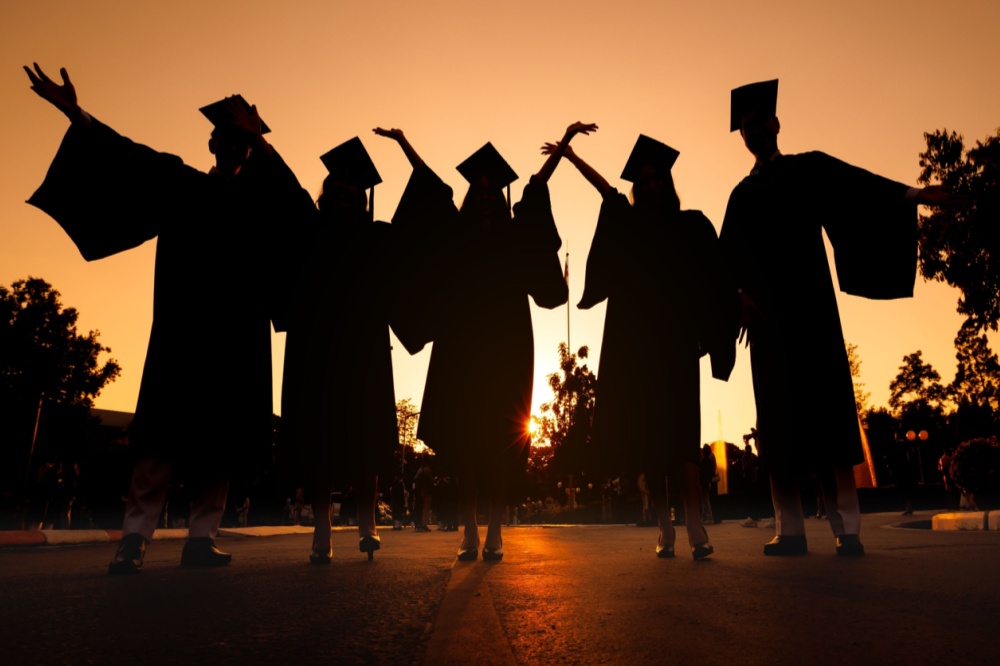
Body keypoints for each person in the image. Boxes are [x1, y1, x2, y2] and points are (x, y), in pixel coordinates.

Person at [25, 64, 306, 573]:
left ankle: (202, 537)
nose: (235, 148)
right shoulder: (182, 184)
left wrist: (263, 140)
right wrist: (75, 112)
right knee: (161, 439)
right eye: (228, 139)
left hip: (236, 338)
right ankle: (135, 536)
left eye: (243, 142)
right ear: (212, 146)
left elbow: (302, 211)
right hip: (183, 331)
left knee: (218, 444)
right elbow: (126, 156)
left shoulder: (263, 207)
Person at [720, 79, 960, 557]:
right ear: (742, 136)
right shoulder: (741, 196)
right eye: (746, 127)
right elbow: (725, 261)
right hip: (768, 324)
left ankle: (847, 528)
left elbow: (858, 187)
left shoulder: (808, 170)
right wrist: (737, 297)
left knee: (828, 419)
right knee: (781, 427)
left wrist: (915, 194)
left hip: (813, 314)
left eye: (759, 123)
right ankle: (790, 530)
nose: (754, 131)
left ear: (775, 125)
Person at [375, 122, 586, 561]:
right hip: (461, 344)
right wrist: (404, 145)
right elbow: (432, 190)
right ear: (473, 194)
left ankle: (493, 527)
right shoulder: (457, 234)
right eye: (482, 189)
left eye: (494, 190)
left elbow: (533, 191)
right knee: (466, 441)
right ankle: (469, 525)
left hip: (508, 347)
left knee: (500, 444)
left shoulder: (513, 235)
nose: (488, 195)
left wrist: (562, 149)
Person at [548, 134, 735, 560]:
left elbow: (716, 275)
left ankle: (694, 523)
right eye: (644, 181)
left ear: (668, 182)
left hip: (678, 342)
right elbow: (606, 192)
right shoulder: (631, 223)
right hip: (640, 346)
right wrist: (572, 155)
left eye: (657, 179)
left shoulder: (691, 225)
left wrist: (735, 301)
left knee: (685, 435)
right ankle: (665, 526)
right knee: (654, 442)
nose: (650, 186)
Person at [280, 137, 409, 563]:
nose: (342, 189)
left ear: (362, 195)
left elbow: (414, 245)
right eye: (335, 183)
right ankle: (323, 526)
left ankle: (368, 523)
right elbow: (285, 189)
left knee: (366, 441)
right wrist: (260, 145)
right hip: (317, 347)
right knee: (319, 442)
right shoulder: (308, 228)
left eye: (351, 185)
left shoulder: (376, 237)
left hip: (364, 349)